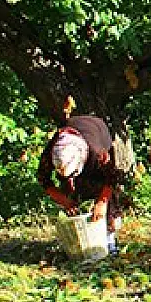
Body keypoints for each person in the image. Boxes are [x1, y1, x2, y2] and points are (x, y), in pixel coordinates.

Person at [38, 97, 125, 255]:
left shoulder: (100, 154)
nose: (71, 180)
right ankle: (77, 237)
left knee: (103, 194)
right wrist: (64, 200)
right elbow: (43, 179)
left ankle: (109, 239)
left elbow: (113, 178)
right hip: (75, 136)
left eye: (72, 175)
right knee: (72, 193)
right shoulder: (52, 151)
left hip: (98, 129)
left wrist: (101, 202)